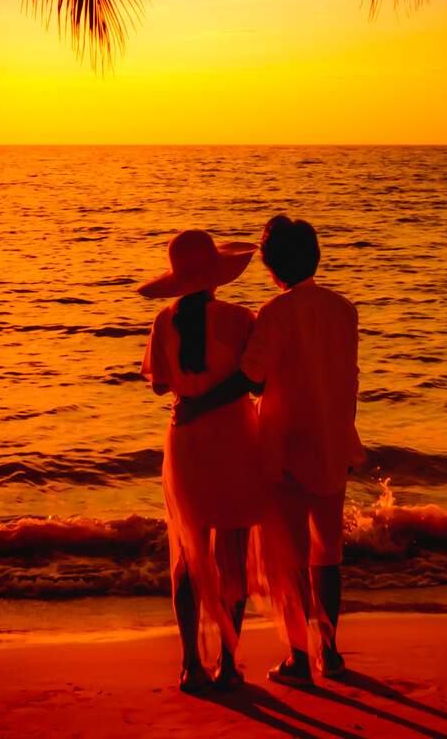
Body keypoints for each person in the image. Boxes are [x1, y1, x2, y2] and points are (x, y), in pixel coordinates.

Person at [177, 214, 363, 683]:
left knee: (294, 558)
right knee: (330, 553)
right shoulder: (344, 309)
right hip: (334, 440)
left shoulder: (275, 313)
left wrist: (200, 404)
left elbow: (250, 378)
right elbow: (348, 378)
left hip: (286, 447)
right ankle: (331, 653)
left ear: (272, 267)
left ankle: (300, 660)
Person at [139, 229, 272, 694]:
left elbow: (158, 385)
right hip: (235, 437)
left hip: (187, 441)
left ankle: (190, 665)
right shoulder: (241, 318)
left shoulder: (162, 320)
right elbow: (256, 384)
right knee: (231, 553)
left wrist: (191, 391)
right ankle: (230, 664)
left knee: (188, 552)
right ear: (217, 276)